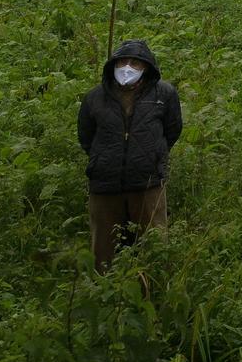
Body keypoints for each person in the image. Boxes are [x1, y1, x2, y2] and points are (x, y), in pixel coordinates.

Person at [78, 39, 182, 271]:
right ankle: (104, 294)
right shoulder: (95, 97)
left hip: (148, 182)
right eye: (123, 61)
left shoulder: (164, 94)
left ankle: (151, 293)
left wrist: (153, 155)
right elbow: (86, 136)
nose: (127, 68)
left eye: (135, 63)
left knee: (153, 245)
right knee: (103, 250)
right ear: (113, 65)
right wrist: (103, 158)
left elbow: (172, 130)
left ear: (147, 67)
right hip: (105, 183)